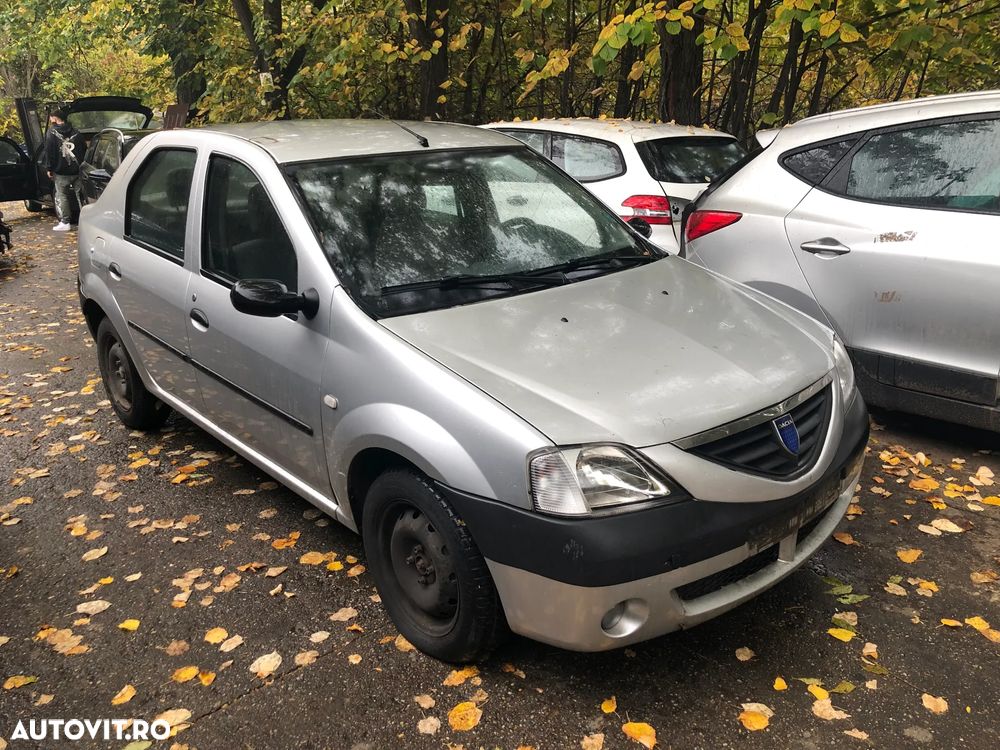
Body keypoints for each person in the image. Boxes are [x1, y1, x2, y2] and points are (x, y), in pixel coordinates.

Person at [40, 107, 86, 232]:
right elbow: (83, 148)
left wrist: (49, 167)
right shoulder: (76, 132)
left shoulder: (51, 132)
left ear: (55, 118)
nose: (50, 119)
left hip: (61, 172)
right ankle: (86, 221)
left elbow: (49, 151)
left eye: (51, 117)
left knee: (63, 196)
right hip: (77, 170)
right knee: (81, 195)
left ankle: (66, 222)